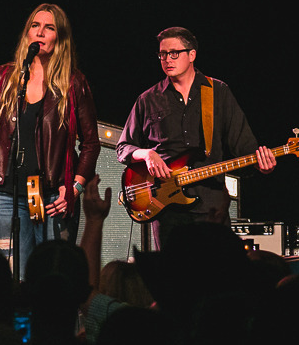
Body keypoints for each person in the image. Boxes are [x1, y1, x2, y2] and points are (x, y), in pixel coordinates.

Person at [0, 3, 101, 280]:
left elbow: (90, 143)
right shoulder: (3, 77)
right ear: (27, 33)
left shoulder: (73, 82)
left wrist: (75, 188)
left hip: (55, 194)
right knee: (17, 278)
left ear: (60, 38)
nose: (40, 33)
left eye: (49, 28)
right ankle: (22, 325)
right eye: (35, 26)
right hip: (6, 195)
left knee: (54, 277)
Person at [116, 26, 276, 249]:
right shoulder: (148, 99)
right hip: (166, 210)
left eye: (174, 53)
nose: (167, 59)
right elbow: (123, 147)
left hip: (212, 208)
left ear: (192, 54)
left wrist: (262, 166)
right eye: (162, 54)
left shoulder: (218, 92)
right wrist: (147, 154)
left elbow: (245, 148)